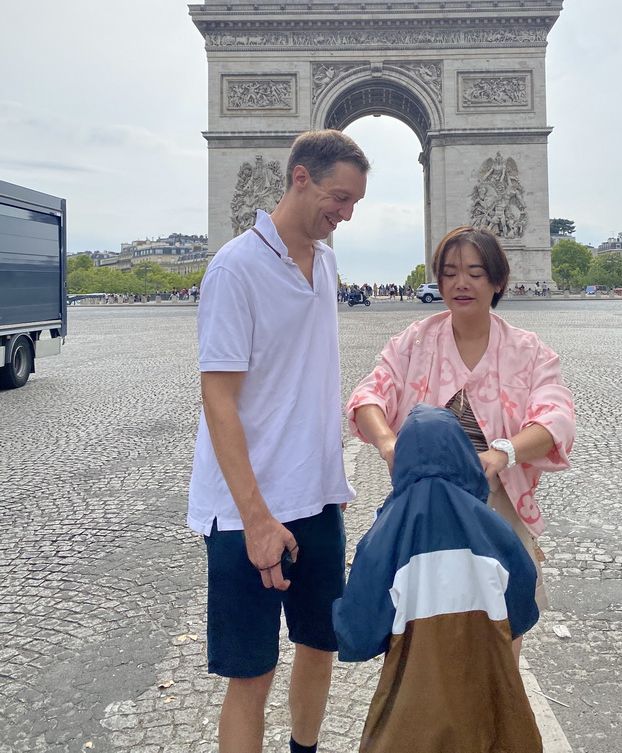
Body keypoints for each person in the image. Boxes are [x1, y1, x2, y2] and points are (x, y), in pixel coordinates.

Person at [187, 129, 370, 753]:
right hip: (249, 514)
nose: (346, 214)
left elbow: (307, 377)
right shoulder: (235, 268)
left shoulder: (326, 261)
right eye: (339, 198)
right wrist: (257, 517)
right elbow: (218, 398)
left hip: (315, 501)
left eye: (354, 204)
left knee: (321, 646)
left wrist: (327, 477)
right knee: (251, 674)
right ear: (300, 177)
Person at [347, 225, 574, 651]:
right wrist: (386, 442)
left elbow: (556, 418)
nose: (461, 283)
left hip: (497, 509)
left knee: (502, 637)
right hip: (423, 512)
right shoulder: (412, 342)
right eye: (449, 272)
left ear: (498, 280)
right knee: (420, 642)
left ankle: (497, 716)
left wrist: (503, 452)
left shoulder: (530, 352)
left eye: (475, 271)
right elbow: (369, 394)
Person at [333, 404, 542, 753]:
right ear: (464, 455)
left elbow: (357, 633)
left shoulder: (386, 534)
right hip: (485, 702)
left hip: (412, 709)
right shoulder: (492, 528)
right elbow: (522, 607)